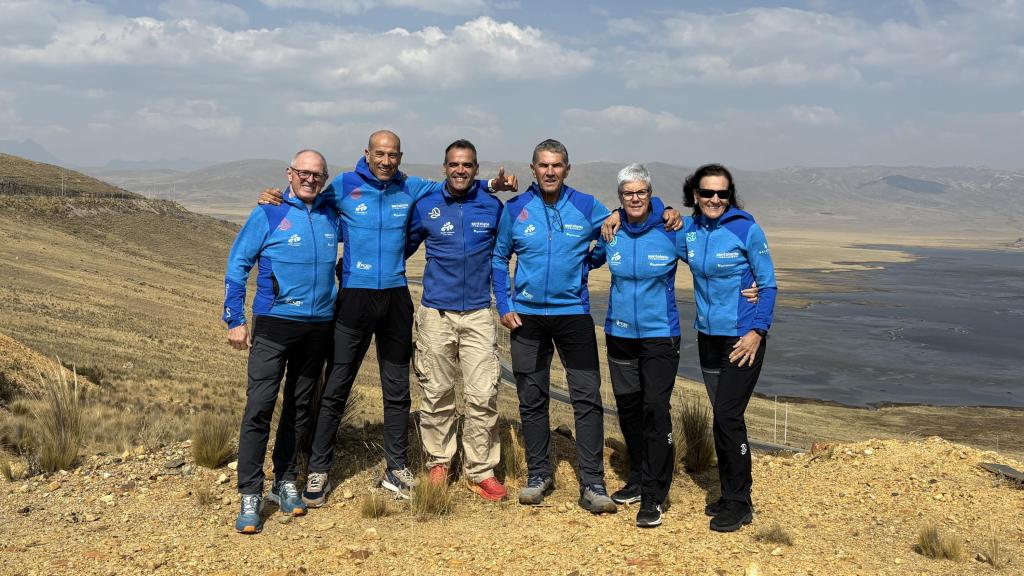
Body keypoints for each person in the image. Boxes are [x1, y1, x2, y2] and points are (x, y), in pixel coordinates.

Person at [259, 131, 516, 503]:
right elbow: (306, 198)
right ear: (367, 153)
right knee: (337, 386)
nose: (385, 160)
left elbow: (456, 184)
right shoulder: (345, 184)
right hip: (354, 298)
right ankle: (318, 469)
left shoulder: (411, 187)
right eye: (379, 153)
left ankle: (396, 468)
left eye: (392, 154)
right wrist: (277, 197)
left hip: (395, 297)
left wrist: (492, 183)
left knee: (397, 389)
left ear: (400, 157)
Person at [491, 139, 680, 513]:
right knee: (531, 398)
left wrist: (661, 208)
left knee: (587, 399)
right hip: (526, 318)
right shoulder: (515, 209)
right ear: (533, 169)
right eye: (543, 165)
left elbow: (633, 212)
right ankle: (538, 475)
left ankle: (592, 482)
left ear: (567, 169)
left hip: (573, 316)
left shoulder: (586, 206)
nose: (549, 171)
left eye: (557, 165)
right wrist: (504, 302)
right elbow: (499, 257)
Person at [590, 164, 758, 528]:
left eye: (642, 192)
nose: (635, 198)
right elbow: (588, 260)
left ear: (651, 195)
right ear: (619, 198)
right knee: (629, 410)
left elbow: (709, 261)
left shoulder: (672, 231)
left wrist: (750, 290)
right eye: (627, 194)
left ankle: (654, 494)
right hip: (619, 334)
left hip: (660, 336)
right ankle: (637, 478)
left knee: (655, 410)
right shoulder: (611, 231)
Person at [223, 149, 338, 534]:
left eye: (317, 175)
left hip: (318, 325)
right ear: (289, 174)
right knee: (259, 406)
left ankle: (284, 480)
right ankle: (250, 493)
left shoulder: (330, 212)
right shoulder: (268, 213)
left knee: (300, 406)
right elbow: (238, 264)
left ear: (325, 178)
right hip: (273, 325)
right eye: (303, 173)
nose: (310, 179)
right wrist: (235, 319)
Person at [404, 139, 507, 501]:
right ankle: (438, 462)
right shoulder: (426, 206)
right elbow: (401, 246)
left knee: (482, 394)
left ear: (476, 170)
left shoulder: (492, 207)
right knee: (436, 392)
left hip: (479, 312)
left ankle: (479, 471)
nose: (460, 170)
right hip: (436, 314)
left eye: (467, 165)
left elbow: (503, 255)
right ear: (444, 168)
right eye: (454, 164)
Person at [681, 163, 777, 532]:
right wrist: (614, 216)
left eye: (722, 193)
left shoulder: (745, 229)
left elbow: (767, 284)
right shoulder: (688, 231)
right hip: (707, 336)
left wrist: (758, 331)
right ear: (695, 195)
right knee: (722, 420)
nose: (715, 199)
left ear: (730, 194)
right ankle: (728, 491)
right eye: (707, 193)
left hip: (742, 338)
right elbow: (653, 217)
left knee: (727, 417)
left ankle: (739, 502)